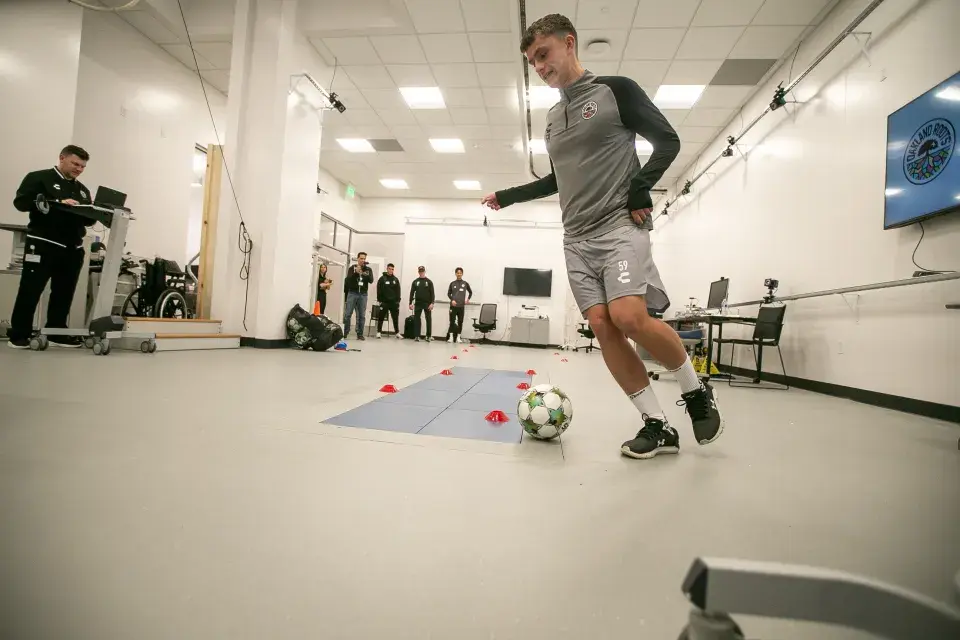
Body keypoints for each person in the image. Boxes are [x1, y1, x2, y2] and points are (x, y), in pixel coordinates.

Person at [480, 14, 723, 460]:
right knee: (601, 326)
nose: (539, 67)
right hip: (577, 238)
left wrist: (639, 186)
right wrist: (509, 196)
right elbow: (559, 179)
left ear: (568, 43)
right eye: (532, 62)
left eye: (543, 55)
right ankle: (657, 425)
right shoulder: (554, 117)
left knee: (629, 316)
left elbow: (667, 140)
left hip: (618, 227)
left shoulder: (615, 90)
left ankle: (694, 391)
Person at [7, 145, 94, 349]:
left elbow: (88, 221)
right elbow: (21, 202)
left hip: (72, 248)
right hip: (43, 244)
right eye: (75, 164)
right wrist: (57, 202)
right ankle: (19, 334)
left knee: (64, 292)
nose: (79, 169)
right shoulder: (39, 178)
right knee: (31, 289)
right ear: (62, 158)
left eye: (82, 166)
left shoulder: (82, 190)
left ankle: (56, 332)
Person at [342, 251, 373, 341]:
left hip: (363, 294)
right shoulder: (352, 268)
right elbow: (348, 281)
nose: (363, 260)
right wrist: (356, 273)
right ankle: (345, 332)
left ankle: (360, 334)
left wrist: (364, 274)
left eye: (364, 259)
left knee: (361, 315)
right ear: (358, 259)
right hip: (352, 293)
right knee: (348, 314)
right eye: (361, 258)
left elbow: (371, 280)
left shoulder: (368, 270)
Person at [445, 267, 473, 343]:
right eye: (458, 273)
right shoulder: (452, 283)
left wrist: (468, 299)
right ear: (455, 274)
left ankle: (458, 338)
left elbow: (470, 292)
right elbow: (448, 293)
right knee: (452, 321)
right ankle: (450, 337)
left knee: (460, 321)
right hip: (453, 306)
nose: (459, 274)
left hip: (461, 306)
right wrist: (452, 300)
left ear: (462, 274)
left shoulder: (465, 283)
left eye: (460, 273)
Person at [408, 265, 435, 342]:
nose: (421, 272)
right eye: (420, 271)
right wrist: (410, 303)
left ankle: (428, 336)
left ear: (424, 271)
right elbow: (412, 292)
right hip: (418, 303)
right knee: (417, 319)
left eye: (422, 271)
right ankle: (417, 336)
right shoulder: (416, 282)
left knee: (428, 319)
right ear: (418, 272)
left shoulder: (429, 282)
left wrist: (432, 303)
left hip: (427, 303)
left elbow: (432, 293)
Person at [376, 263, 402, 339]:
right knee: (381, 317)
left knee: (395, 318)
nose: (391, 270)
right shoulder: (382, 279)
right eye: (389, 269)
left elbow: (398, 291)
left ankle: (397, 333)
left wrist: (398, 301)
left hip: (394, 302)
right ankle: (379, 332)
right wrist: (380, 300)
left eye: (392, 269)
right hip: (384, 302)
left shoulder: (395, 279)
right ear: (387, 269)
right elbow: (378, 289)